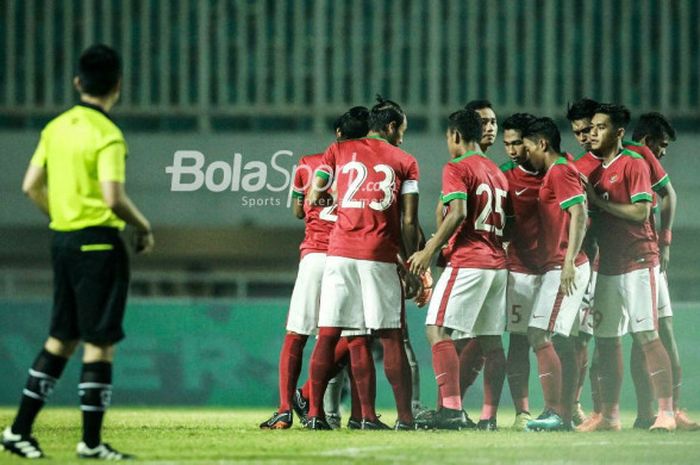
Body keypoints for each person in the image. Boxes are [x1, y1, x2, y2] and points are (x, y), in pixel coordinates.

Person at [2, 44, 153, 460]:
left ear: (77, 82)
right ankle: (90, 442)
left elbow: (30, 185)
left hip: (64, 241)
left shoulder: (56, 127)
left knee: (61, 338)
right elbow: (112, 197)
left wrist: (65, 215)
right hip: (98, 243)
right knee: (99, 343)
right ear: (117, 86)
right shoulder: (106, 134)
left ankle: (18, 431)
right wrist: (142, 226)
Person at [305, 96, 421, 431]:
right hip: (378, 256)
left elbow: (314, 196)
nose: (402, 137)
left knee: (328, 335)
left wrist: (345, 203)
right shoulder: (405, 161)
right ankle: (405, 419)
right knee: (390, 337)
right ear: (390, 126)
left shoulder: (336, 151)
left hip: (339, 253)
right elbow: (408, 221)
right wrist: (412, 264)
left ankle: (315, 415)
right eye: (402, 130)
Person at [259, 106, 370, 430]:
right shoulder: (370, 169)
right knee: (349, 337)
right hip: (348, 257)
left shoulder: (308, 163)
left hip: (314, 257)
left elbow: (298, 209)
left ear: (338, 134)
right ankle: (313, 406)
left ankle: (284, 409)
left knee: (297, 334)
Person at [578, 104, 675, 432]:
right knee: (606, 340)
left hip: (638, 260)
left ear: (619, 132)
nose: (593, 133)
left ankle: (666, 413)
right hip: (608, 265)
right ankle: (610, 415)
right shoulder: (596, 171)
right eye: (592, 127)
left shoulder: (633, 163)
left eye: (601, 127)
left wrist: (599, 201)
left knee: (647, 334)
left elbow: (640, 211)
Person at [410, 109, 508, 431]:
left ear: (454, 136)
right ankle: (488, 417)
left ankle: (451, 410)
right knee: (492, 342)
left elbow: (456, 214)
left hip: (469, 260)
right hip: (497, 264)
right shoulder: (497, 171)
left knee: (437, 330)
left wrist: (428, 250)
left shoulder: (457, 166)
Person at [629, 113, 698, 430]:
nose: (664, 152)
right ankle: (664, 411)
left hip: (633, 261)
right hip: (636, 261)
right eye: (662, 144)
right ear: (646, 141)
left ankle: (652, 412)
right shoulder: (636, 155)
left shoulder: (631, 157)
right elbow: (670, 194)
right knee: (654, 336)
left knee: (641, 338)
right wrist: (666, 243)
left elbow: (667, 195)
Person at [519, 118, 589, 431]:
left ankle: (554, 412)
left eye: (529, 147)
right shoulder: (560, 170)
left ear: (543, 144)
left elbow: (580, 212)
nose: (526, 153)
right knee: (563, 341)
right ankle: (564, 411)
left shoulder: (560, 171)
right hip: (563, 263)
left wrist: (569, 261)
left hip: (564, 265)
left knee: (538, 332)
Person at [498, 113, 540, 430]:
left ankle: (568, 408)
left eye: (517, 143)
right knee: (519, 341)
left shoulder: (559, 168)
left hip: (557, 269)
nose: (512, 150)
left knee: (568, 342)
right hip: (520, 269)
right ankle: (522, 412)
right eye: (507, 143)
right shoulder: (503, 176)